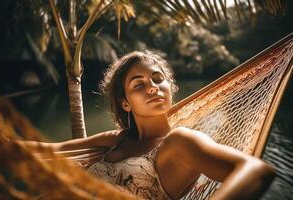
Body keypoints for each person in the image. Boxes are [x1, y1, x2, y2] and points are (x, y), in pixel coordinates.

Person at [23, 50, 276, 200]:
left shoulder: (179, 142)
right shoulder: (117, 139)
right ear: (125, 103)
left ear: (170, 89)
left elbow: (255, 170)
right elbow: (49, 150)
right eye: (139, 84)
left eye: (158, 79)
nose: (153, 87)